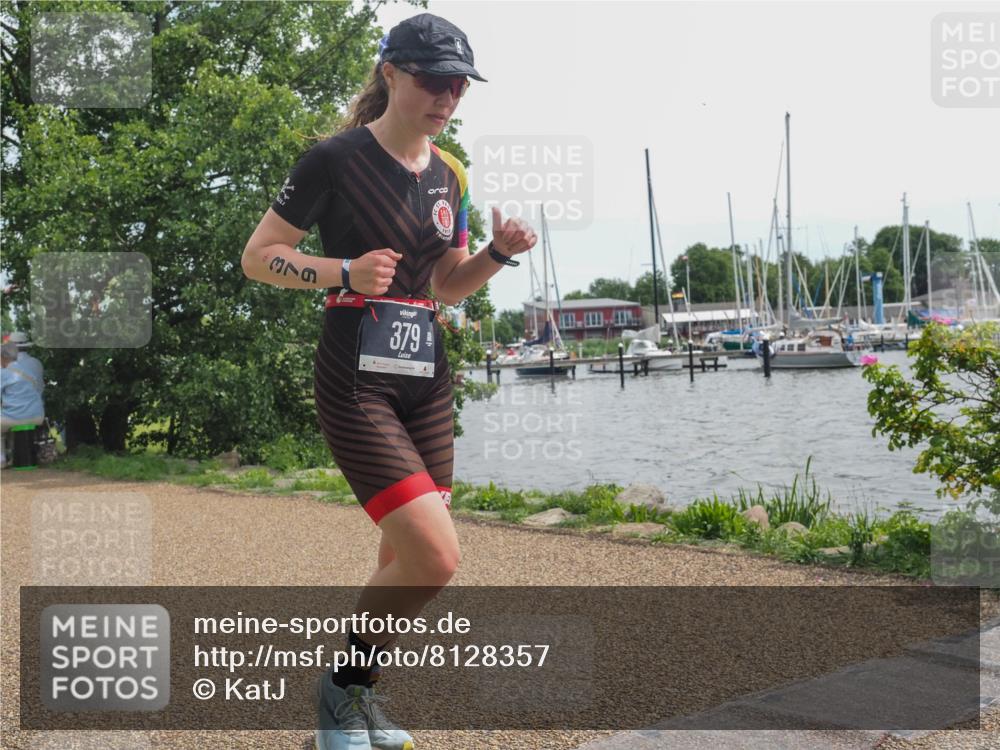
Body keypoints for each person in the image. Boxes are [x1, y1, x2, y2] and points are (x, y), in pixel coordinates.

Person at [241, 13, 536, 750]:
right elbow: (258, 255)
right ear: (392, 74)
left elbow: (445, 286)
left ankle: (360, 701)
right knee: (436, 557)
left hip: (425, 377)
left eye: (460, 83)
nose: (448, 95)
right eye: (434, 79)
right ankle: (339, 693)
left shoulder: (452, 173)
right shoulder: (333, 160)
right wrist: (340, 271)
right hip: (354, 376)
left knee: (400, 556)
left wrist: (497, 255)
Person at [1, 340, 45, 468]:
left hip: (17, 417)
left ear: (3, 357)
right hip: (37, 415)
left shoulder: (3, 373)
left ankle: (1, 460)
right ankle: (13, 457)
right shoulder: (28, 371)